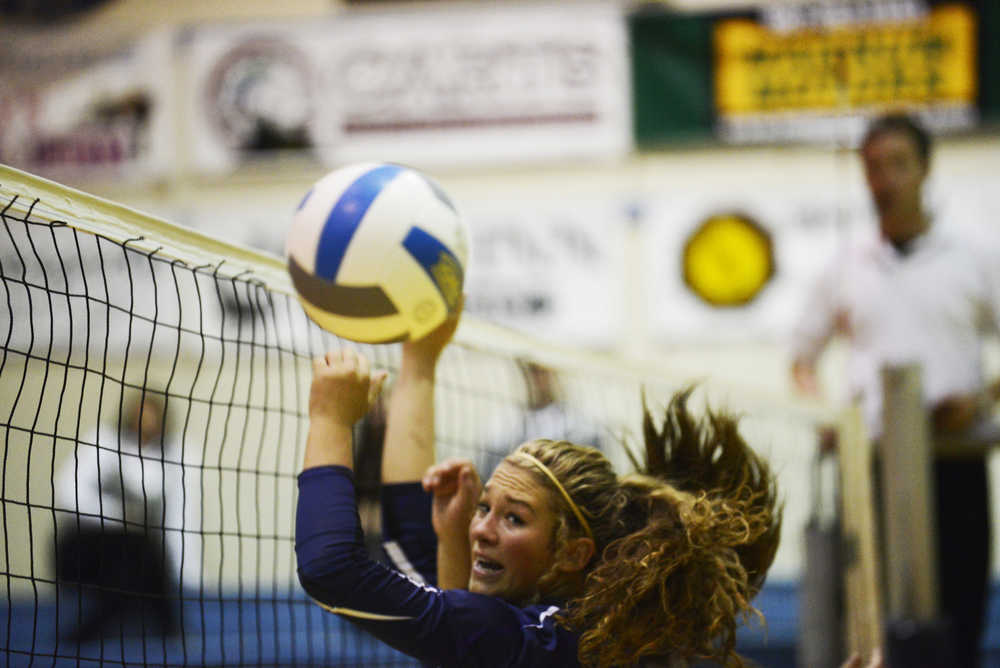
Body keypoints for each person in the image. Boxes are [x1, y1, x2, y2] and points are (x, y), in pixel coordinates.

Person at [295, 303, 782, 667]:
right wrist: (419, 360)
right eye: (484, 507)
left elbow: (332, 569)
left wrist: (330, 418)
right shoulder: (570, 623)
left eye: (514, 518)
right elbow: (411, 539)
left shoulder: (531, 638)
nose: (482, 528)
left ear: (573, 552)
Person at [790, 113, 1000, 666]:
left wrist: (980, 401)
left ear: (925, 169)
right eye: (873, 167)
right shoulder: (846, 264)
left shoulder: (974, 255)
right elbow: (801, 360)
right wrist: (828, 419)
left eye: (898, 165)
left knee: (961, 618)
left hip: (955, 461)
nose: (885, 180)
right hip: (874, 470)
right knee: (877, 623)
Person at [54, 392, 181, 641]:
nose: (145, 421)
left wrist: (185, 574)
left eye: (151, 415)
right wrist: (119, 514)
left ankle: (170, 638)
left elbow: (177, 519)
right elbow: (66, 491)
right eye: (140, 413)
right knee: (135, 561)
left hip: (134, 558)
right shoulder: (104, 442)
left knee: (143, 560)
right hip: (86, 549)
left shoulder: (170, 457)